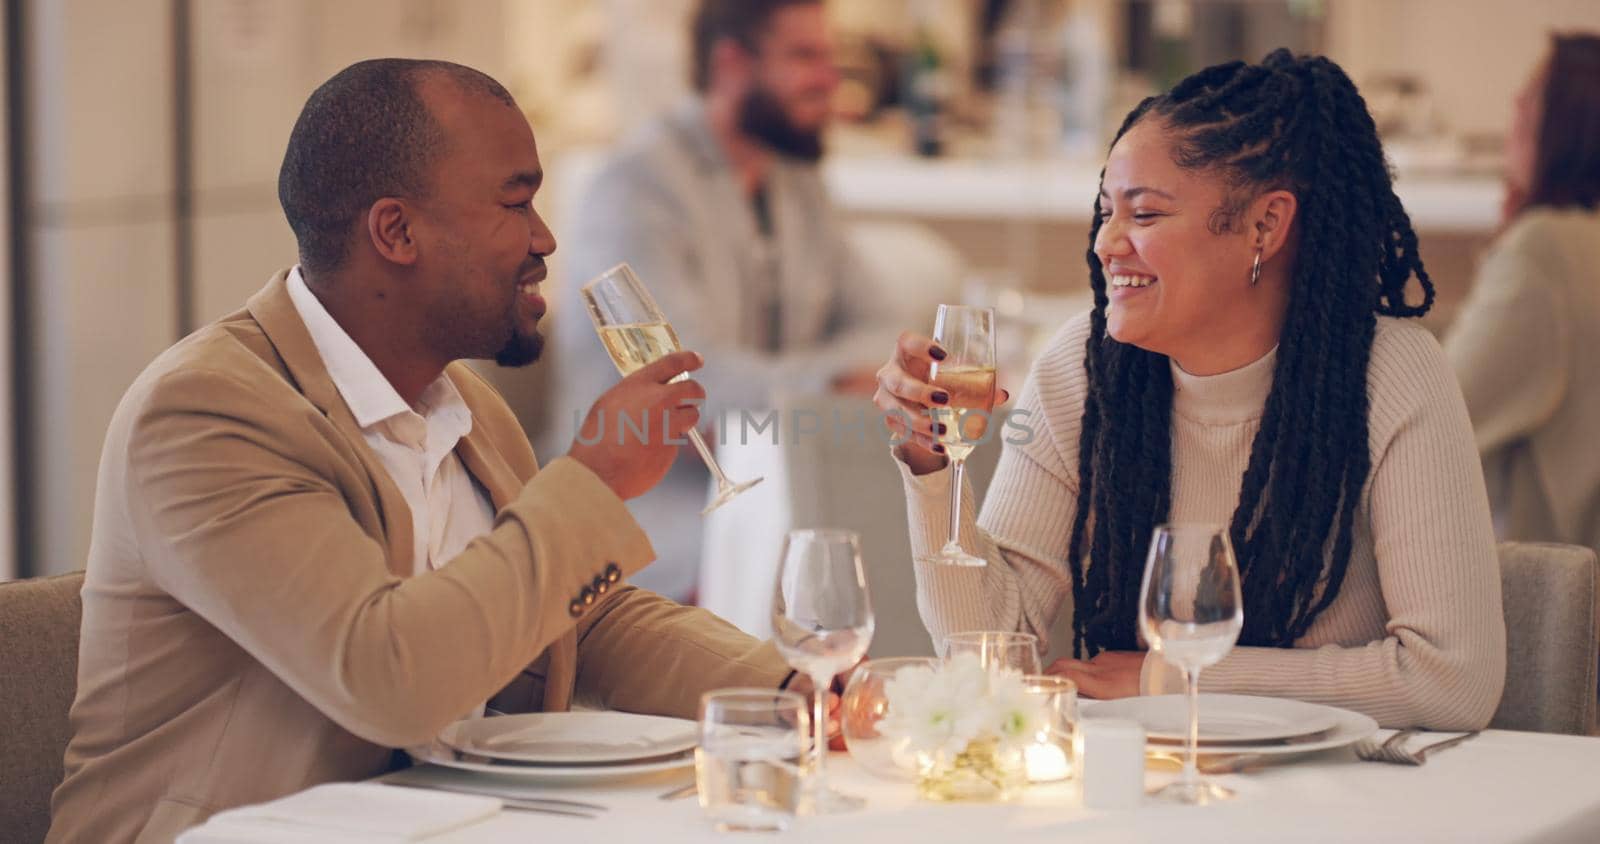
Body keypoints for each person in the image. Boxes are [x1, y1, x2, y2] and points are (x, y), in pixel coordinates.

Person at [47, 60, 804, 844]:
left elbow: (580, 615)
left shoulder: (462, 404)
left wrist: (792, 690)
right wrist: (591, 483)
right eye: (517, 202)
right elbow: (387, 676)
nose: (546, 239)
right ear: (397, 231)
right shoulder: (207, 414)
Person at [873, 50, 1507, 730]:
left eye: (1143, 215)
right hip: (1144, 791)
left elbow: (1450, 682)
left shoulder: (1389, 375)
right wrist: (933, 470)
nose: (1106, 243)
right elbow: (989, 659)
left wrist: (1168, 676)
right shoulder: (1081, 369)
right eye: (1105, 211)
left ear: (1265, 225)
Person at [552, 0, 889, 600]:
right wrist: (834, 382)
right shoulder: (635, 187)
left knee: (897, 537)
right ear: (733, 63)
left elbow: (879, 322)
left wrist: (854, 375)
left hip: (777, 481)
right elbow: (686, 386)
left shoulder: (796, 177)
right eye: (806, 56)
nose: (831, 79)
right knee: (818, 566)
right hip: (657, 502)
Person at [1444, 33, 1600, 558]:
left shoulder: (1547, 251)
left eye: (1532, 97)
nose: (1514, 106)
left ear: (1568, 126)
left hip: (1557, 600)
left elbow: (1440, 415)